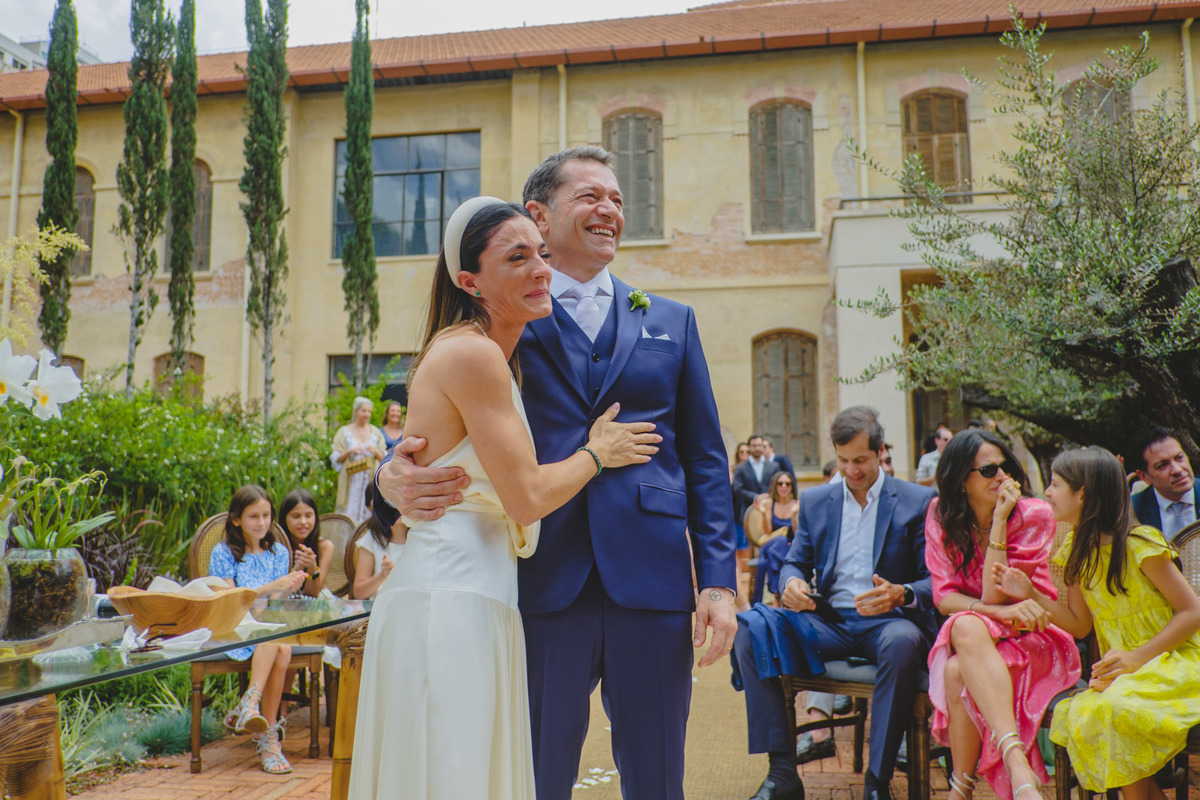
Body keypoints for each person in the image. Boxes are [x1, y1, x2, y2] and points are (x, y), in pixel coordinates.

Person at [375, 148, 737, 800]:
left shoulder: (672, 321)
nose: (609, 210)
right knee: (534, 777)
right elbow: (435, 425)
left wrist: (718, 580)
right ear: (539, 213)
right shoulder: (504, 316)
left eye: (617, 199)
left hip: (652, 581)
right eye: (590, 196)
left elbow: (706, 457)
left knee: (659, 780)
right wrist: (387, 473)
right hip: (538, 584)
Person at [349, 198, 655, 799]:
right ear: (470, 282)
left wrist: (390, 473)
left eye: (541, 253)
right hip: (450, 596)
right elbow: (526, 497)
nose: (541, 269)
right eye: (517, 258)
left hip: (480, 588)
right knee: (449, 775)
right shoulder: (473, 353)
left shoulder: (497, 351)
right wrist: (598, 453)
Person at [733, 407, 937, 800]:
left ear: (879, 451)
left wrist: (902, 592)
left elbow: (935, 579)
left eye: (860, 460)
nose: (850, 470)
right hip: (825, 621)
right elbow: (795, 561)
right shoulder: (815, 501)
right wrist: (791, 582)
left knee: (902, 642)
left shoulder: (917, 500)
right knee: (751, 629)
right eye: (843, 460)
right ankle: (782, 772)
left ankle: (877, 781)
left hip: (888, 621)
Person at [992, 446, 1200, 800]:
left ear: (1082, 494)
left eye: (1055, 484)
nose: (1047, 493)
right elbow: (1078, 624)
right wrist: (1031, 594)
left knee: (1116, 709)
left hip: (1173, 660)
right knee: (1093, 712)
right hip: (1124, 672)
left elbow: (1192, 612)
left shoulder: (1140, 544)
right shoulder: (1077, 549)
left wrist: (1137, 658)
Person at [924, 430, 1081, 800]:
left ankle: (965, 787)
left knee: (958, 657)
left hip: (1034, 633)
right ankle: (1014, 764)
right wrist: (996, 611)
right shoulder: (940, 514)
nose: (1001, 476)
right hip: (982, 640)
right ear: (961, 480)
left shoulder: (1033, 514)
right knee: (962, 638)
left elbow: (996, 590)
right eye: (988, 470)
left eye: (1005, 466)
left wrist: (998, 521)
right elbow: (944, 598)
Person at [209, 485, 308, 775]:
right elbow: (230, 602)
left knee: (281, 645)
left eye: (266, 515)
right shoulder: (223, 552)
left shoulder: (277, 552)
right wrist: (270, 587)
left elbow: (272, 606)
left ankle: (252, 708)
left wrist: (288, 587)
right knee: (278, 642)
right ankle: (267, 736)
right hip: (234, 628)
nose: (262, 522)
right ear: (237, 519)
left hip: (265, 627)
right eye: (254, 516)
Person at [1128, 426, 1198, 540]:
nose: (1177, 470)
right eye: (1162, 465)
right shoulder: (1132, 511)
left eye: (1179, 458)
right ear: (1144, 476)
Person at [332, 397, 387, 524]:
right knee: (348, 514)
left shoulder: (375, 432)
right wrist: (350, 451)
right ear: (356, 411)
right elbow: (336, 458)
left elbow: (384, 458)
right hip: (351, 480)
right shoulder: (344, 432)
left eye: (369, 411)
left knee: (369, 511)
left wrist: (375, 451)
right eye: (363, 411)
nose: (367, 414)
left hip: (369, 479)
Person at [352, 484, 406, 600]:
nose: (398, 508)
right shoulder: (372, 539)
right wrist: (382, 575)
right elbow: (359, 592)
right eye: (392, 502)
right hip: (382, 605)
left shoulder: (422, 535)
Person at [753, 470, 799, 602]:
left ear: (792, 486)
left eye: (787, 484)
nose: (784, 487)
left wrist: (794, 516)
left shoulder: (796, 503)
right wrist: (763, 513)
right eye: (780, 483)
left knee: (783, 543)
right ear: (775, 485)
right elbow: (767, 532)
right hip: (771, 545)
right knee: (780, 541)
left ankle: (776, 594)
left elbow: (796, 533)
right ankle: (779, 593)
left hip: (789, 545)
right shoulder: (769, 503)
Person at [279, 489, 334, 596]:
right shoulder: (276, 546)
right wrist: (299, 567)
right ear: (284, 518)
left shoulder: (325, 547)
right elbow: (277, 593)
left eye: (308, 516)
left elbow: (312, 595)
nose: (303, 522)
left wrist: (312, 568)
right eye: (296, 516)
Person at [734, 434, 781, 522]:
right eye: (754, 446)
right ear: (749, 447)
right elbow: (737, 489)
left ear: (763, 447)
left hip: (770, 512)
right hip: (748, 514)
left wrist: (768, 496)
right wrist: (755, 497)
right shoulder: (740, 468)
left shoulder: (774, 466)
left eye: (759, 445)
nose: (757, 448)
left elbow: (778, 486)